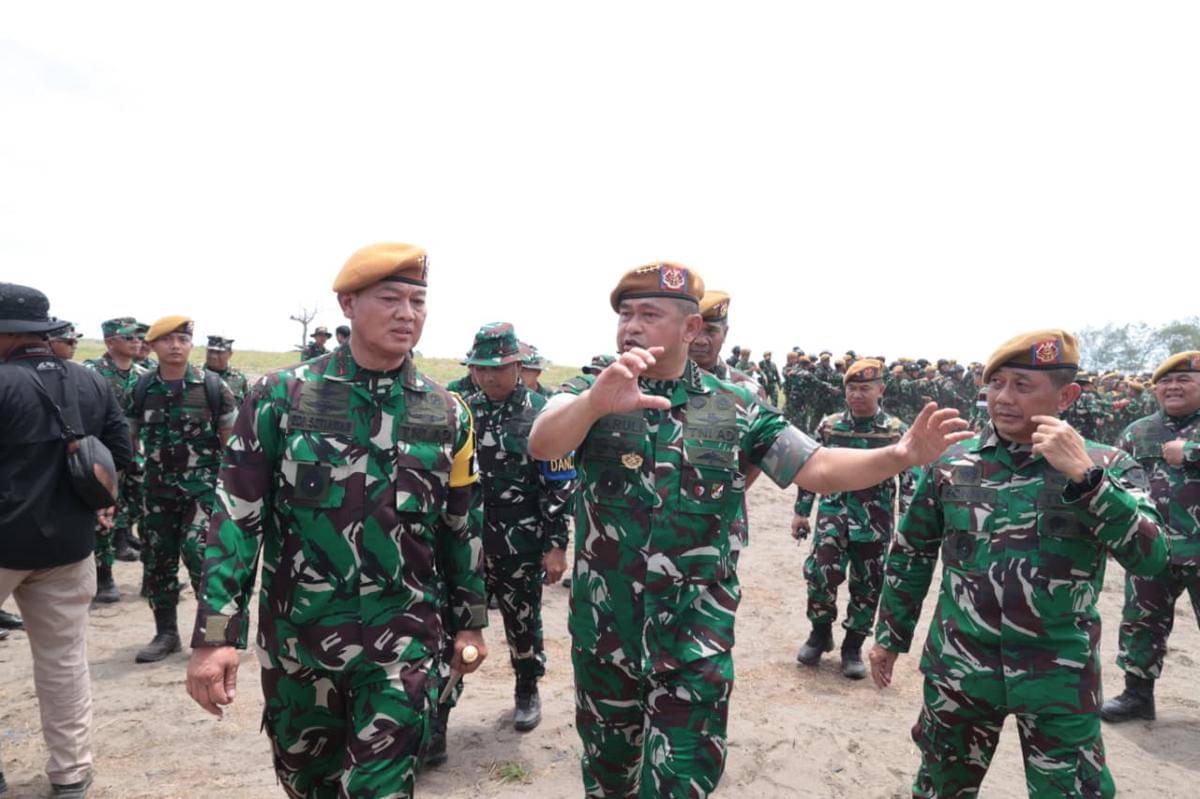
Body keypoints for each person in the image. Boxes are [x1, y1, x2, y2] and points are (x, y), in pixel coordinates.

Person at [528, 261, 970, 798]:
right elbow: (544, 442)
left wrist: (900, 454)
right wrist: (595, 403)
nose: (632, 328)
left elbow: (819, 468)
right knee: (608, 779)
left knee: (683, 782)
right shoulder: (591, 387)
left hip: (694, 640)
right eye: (625, 315)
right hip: (605, 636)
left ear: (691, 329)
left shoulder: (735, 406)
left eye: (649, 315)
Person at [185, 242, 488, 798]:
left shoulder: (446, 411)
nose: (407, 313)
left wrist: (470, 620)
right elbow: (235, 517)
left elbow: (460, 525)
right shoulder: (281, 397)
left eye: (418, 301)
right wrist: (215, 635)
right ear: (347, 305)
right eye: (390, 298)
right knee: (310, 786)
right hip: (301, 645)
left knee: (380, 789)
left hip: (403, 645)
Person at [869, 329, 1168, 798]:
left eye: (1022, 386)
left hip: (1059, 680)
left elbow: (1151, 559)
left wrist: (1090, 482)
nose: (1003, 398)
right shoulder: (952, 462)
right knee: (939, 790)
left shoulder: (1107, 464)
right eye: (996, 384)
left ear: (1066, 395)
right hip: (960, 672)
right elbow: (912, 551)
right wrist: (890, 636)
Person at [0, 283, 133, 799]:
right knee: (63, 661)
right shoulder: (89, 381)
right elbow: (120, 452)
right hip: (70, 548)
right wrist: (97, 504)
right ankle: (71, 774)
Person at [463, 322, 574, 733]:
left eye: (498, 367)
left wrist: (556, 545)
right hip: (468, 543)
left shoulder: (544, 415)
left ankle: (527, 688)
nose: (489, 376)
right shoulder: (464, 411)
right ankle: (439, 708)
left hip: (520, 542)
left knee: (522, 621)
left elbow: (558, 488)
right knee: (455, 623)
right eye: (481, 368)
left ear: (517, 365)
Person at [792, 358, 914, 678]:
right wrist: (801, 513)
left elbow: (910, 478)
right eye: (852, 388)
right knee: (819, 574)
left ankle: (852, 646)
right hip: (833, 514)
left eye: (865, 388)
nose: (857, 395)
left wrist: (907, 521)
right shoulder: (830, 426)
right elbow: (809, 467)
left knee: (868, 585)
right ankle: (820, 633)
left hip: (875, 521)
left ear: (880, 390)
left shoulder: (895, 430)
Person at [129, 316, 237, 663]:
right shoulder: (142, 387)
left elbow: (230, 443)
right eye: (167, 340)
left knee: (203, 556)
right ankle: (166, 634)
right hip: (157, 491)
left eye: (182, 339)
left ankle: (217, 635)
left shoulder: (212, 386)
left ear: (191, 344)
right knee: (158, 562)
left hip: (202, 490)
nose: (175, 346)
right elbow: (128, 439)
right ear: (153, 346)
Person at [1101, 351, 1200, 722]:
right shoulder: (1138, 431)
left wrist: (1191, 453)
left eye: (1184, 380)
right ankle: (1137, 695)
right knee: (1141, 621)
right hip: (1152, 548)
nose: (1172, 387)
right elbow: (1117, 483)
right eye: (1165, 382)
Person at [82, 318, 146, 599]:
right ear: (110, 342)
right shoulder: (91, 373)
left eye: (138, 337)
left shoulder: (145, 375)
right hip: (103, 456)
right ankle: (104, 579)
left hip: (139, 456)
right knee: (102, 517)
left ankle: (154, 580)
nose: (137, 341)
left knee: (147, 515)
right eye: (129, 337)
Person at [203, 336, 250, 406]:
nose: (213, 356)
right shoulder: (196, 375)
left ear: (230, 354)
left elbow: (248, 406)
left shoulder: (240, 378)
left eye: (219, 352)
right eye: (210, 351)